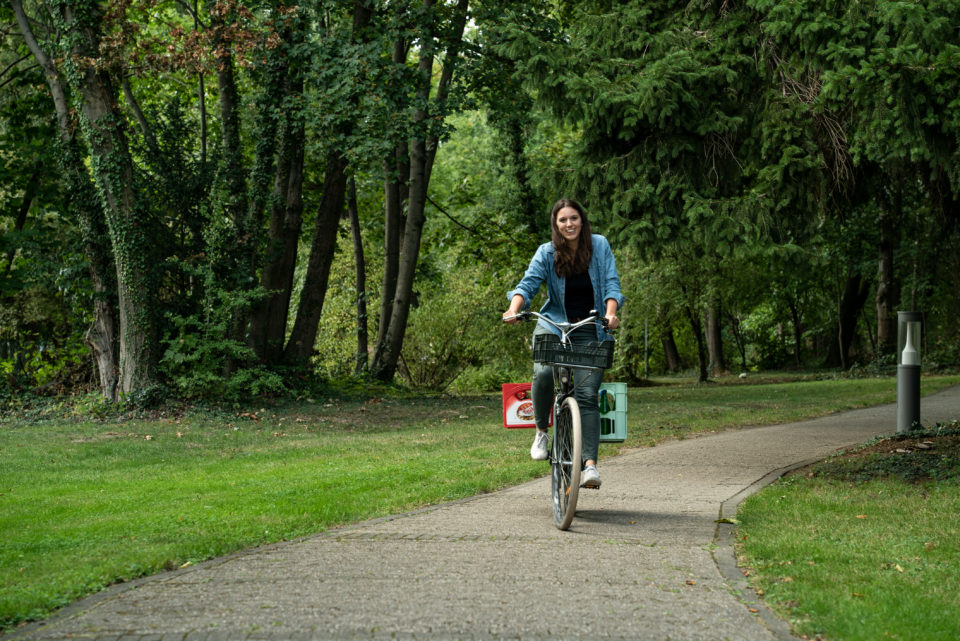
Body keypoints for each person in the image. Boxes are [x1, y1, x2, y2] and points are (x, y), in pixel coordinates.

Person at [503, 198, 624, 488]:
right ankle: (542, 431)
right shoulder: (546, 252)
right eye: (562, 220)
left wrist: (610, 314)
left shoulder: (599, 245)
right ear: (556, 225)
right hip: (554, 323)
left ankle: (590, 467)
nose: (569, 224)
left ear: (582, 220)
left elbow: (611, 283)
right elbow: (528, 283)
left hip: (590, 326)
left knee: (586, 395)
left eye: (573, 218)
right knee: (544, 371)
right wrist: (513, 309)